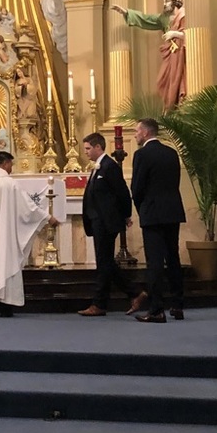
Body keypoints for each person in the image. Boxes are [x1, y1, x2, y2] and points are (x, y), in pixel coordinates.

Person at [0, 151, 57, 316]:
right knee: (4, 260)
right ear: (5, 163)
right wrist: (47, 217)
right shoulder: (10, 184)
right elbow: (27, 209)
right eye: (11, 165)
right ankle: (4, 306)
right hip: (3, 237)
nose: (11, 169)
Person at [128, 117, 187, 323]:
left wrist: (141, 208)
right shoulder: (171, 153)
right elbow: (174, 183)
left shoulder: (142, 154)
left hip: (153, 213)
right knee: (173, 259)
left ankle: (156, 310)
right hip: (172, 211)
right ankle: (178, 305)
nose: (135, 135)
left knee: (154, 262)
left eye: (137, 131)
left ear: (145, 133)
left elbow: (137, 187)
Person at [78, 132, 133, 317]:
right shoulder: (97, 167)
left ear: (98, 147)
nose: (85, 152)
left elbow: (122, 192)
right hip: (97, 221)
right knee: (106, 262)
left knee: (104, 262)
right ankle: (134, 293)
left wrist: (126, 215)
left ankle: (99, 304)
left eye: (87, 148)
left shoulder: (109, 166)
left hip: (106, 221)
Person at [111, 0, 186, 111]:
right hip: (170, 53)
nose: (164, 4)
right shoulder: (164, 18)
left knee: (179, 80)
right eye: (164, 2)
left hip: (181, 53)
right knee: (162, 81)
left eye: (167, 1)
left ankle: (180, 107)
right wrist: (126, 13)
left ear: (175, 2)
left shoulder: (183, 15)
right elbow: (146, 19)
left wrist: (175, 34)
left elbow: (191, 34)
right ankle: (170, 108)